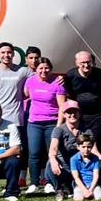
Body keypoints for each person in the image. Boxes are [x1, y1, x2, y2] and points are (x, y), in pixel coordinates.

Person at [23, 56, 66, 193]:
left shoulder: (57, 83)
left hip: (51, 123)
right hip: (34, 123)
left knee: (51, 154)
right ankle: (34, 183)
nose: (44, 71)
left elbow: (62, 107)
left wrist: (59, 126)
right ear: (36, 69)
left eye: (46, 68)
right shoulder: (30, 81)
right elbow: (26, 94)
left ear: (51, 69)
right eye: (41, 68)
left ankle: (49, 182)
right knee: (34, 153)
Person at [45, 103, 94, 199]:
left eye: (75, 112)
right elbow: (53, 148)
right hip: (64, 167)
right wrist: (53, 160)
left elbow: (95, 151)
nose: (72, 115)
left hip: (80, 168)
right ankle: (59, 190)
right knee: (50, 164)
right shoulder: (59, 130)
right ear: (64, 114)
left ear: (79, 113)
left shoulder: (86, 131)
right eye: (69, 112)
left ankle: (72, 187)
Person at [62, 50, 101, 135]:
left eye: (88, 62)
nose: (86, 65)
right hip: (79, 115)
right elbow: (68, 94)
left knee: (97, 139)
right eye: (83, 63)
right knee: (82, 139)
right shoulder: (70, 75)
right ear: (77, 63)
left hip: (97, 115)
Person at [71, 133, 101, 201]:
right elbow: (76, 177)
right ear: (78, 147)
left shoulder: (95, 158)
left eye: (89, 147)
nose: (86, 149)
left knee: (100, 198)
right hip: (80, 185)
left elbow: (96, 175)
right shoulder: (74, 159)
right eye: (83, 147)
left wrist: (90, 190)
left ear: (92, 147)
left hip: (93, 185)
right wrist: (84, 190)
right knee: (78, 199)